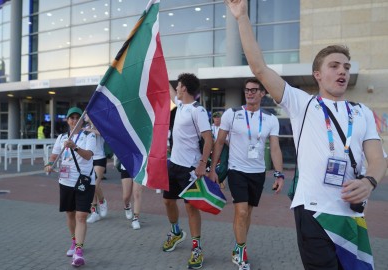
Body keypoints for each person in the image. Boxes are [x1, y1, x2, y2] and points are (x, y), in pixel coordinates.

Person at [225, 1, 387, 269]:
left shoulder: (362, 112)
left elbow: (378, 159)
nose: (342, 71)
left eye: (346, 67)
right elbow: (260, 69)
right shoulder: (303, 103)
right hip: (313, 211)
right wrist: (242, 17)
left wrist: (370, 182)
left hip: (352, 214)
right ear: (318, 75)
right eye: (334, 66)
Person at [209, 78, 284, 270]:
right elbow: (219, 142)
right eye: (247, 90)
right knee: (241, 211)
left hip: (258, 172)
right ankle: (242, 254)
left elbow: (275, 149)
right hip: (237, 170)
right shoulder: (232, 114)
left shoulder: (270, 119)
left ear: (262, 94)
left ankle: (238, 245)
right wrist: (212, 169)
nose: (249, 93)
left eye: (254, 90)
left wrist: (279, 174)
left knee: (248, 212)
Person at [163, 73, 213, 269]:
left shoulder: (197, 110)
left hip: (189, 168)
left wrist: (202, 163)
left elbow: (208, 139)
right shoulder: (180, 104)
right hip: (173, 164)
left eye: (178, 85)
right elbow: (167, 88)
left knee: (191, 208)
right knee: (168, 201)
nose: (176, 87)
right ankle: (176, 232)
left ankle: (196, 247)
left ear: (184, 88)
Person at [44, 107, 96, 267]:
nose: (74, 120)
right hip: (65, 181)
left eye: (77, 118)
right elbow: (54, 156)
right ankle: (74, 241)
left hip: (84, 181)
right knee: (70, 214)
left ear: (81, 120)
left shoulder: (89, 135)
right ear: (67, 120)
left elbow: (88, 155)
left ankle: (79, 251)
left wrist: (74, 147)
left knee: (81, 216)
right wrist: (49, 164)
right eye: (71, 118)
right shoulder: (61, 137)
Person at [84, 115, 108, 223]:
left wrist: (90, 130)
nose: (85, 116)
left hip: (99, 158)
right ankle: (94, 212)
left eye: (87, 114)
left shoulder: (100, 125)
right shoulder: (84, 127)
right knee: (90, 185)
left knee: (94, 184)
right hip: (89, 158)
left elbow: (105, 134)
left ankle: (102, 201)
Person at [118, 163, 143, 230]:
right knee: (126, 196)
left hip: (139, 166)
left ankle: (136, 218)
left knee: (137, 193)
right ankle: (127, 205)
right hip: (126, 165)